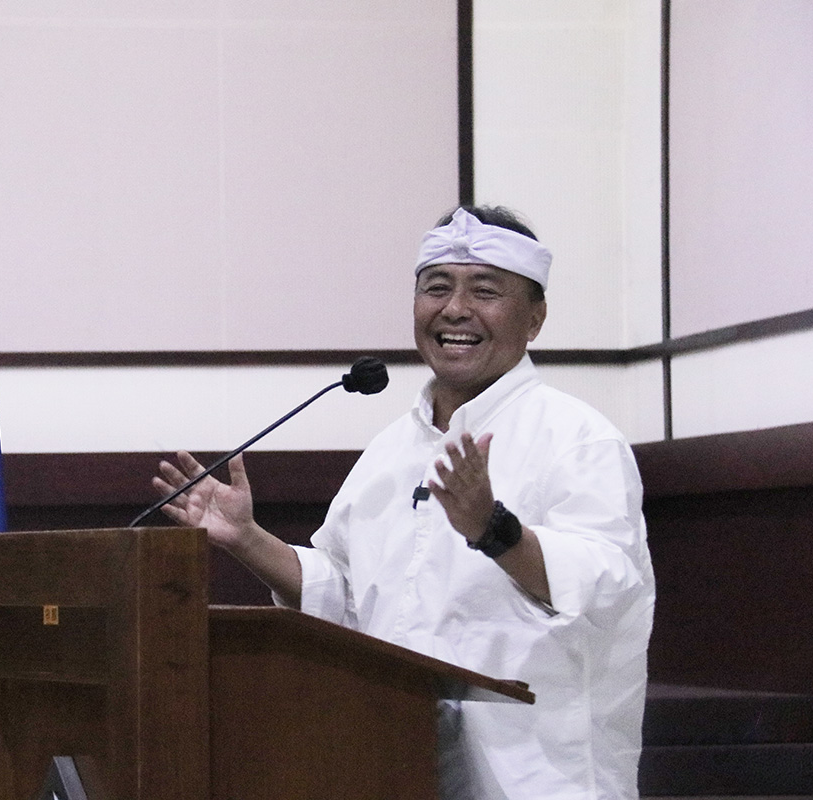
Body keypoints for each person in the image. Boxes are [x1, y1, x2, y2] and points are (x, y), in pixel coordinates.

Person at [151, 206, 655, 799]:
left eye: (485, 291)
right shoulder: (390, 451)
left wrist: (494, 530)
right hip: (395, 766)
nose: (455, 309)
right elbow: (343, 595)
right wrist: (248, 539)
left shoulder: (578, 439)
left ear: (535, 318)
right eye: (436, 288)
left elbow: (604, 588)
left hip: (535, 780)